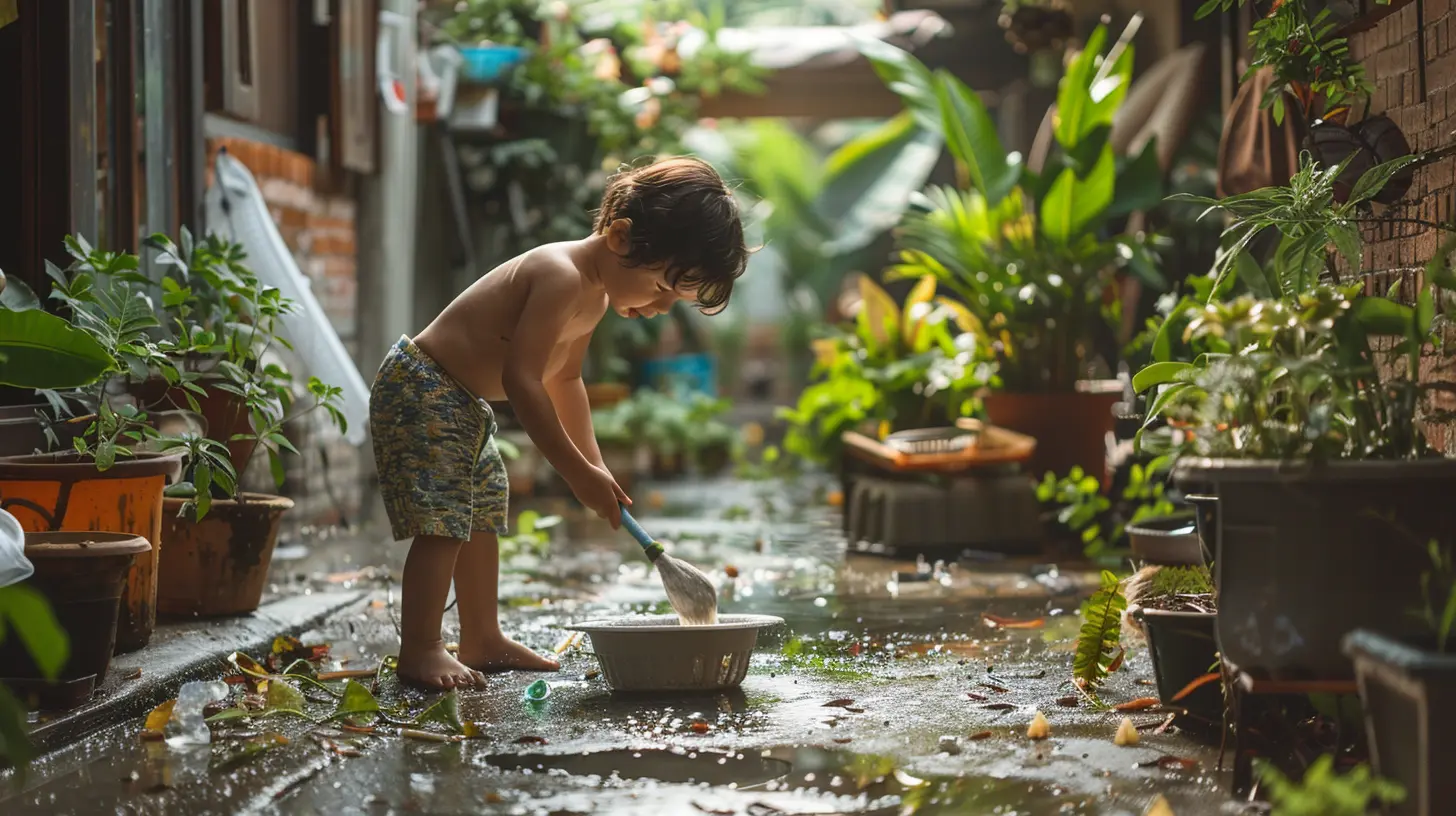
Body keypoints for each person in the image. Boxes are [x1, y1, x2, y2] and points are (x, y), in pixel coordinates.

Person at [369, 156, 748, 689]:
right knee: (445, 519)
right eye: (663, 288)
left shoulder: (592, 295)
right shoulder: (560, 276)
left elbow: (564, 380)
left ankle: (481, 637)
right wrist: (575, 472)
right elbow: (523, 382)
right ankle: (421, 648)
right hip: (423, 386)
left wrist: (595, 468)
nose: (663, 307)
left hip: (460, 399)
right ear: (619, 237)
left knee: (480, 511)